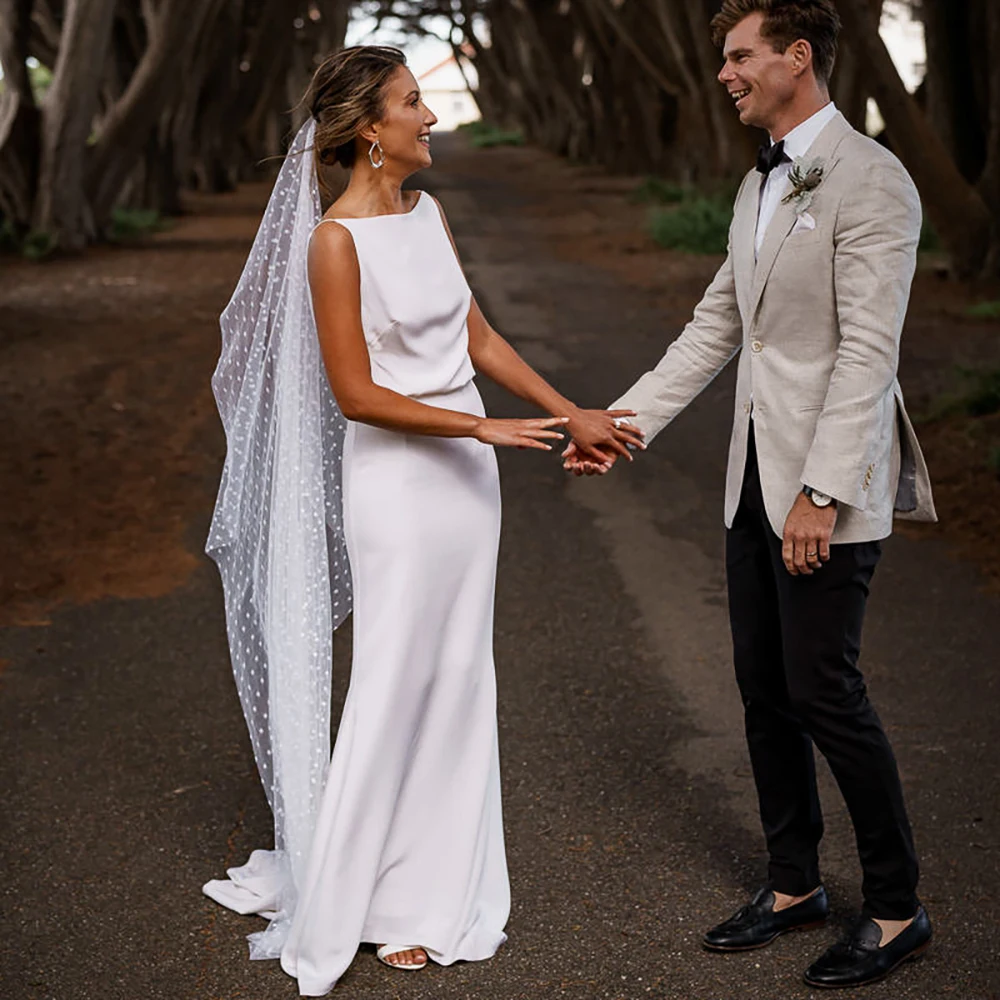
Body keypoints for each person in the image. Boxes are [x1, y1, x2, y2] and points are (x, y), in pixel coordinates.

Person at [204, 45, 644, 996]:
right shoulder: (333, 243)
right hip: (400, 487)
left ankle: (432, 886)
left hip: (466, 487)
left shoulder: (428, 213)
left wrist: (571, 412)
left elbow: (475, 335)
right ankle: (364, 900)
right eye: (413, 102)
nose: (430, 116)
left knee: (455, 675)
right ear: (370, 129)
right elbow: (356, 395)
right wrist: (478, 421)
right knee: (396, 680)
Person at [565, 0, 935, 989]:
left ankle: (895, 907)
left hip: (824, 485)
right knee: (764, 688)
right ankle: (791, 885)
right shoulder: (760, 180)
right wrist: (623, 421)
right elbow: (714, 329)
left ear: (796, 57)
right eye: (724, 57)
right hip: (748, 479)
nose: (724, 73)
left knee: (826, 689)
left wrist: (818, 491)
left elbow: (867, 352)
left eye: (739, 55)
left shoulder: (874, 180)